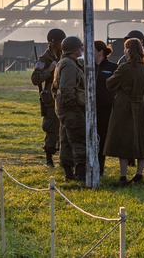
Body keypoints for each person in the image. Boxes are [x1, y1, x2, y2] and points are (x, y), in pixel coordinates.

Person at [104, 37, 144, 185]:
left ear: (129, 50)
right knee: (140, 139)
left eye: (126, 48)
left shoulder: (125, 67)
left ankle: (123, 176)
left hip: (124, 105)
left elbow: (110, 84)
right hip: (140, 105)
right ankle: (139, 174)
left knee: (123, 140)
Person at [53, 35, 86, 182]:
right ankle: (80, 173)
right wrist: (74, 105)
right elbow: (66, 88)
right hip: (71, 110)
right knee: (78, 139)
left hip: (65, 109)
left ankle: (69, 172)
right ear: (74, 49)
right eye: (80, 47)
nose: (82, 49)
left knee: (66, 139)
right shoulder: (70, 65)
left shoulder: (64, 62)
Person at [30, 28, 66, 167]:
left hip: (64, 95)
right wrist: (50, 70)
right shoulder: (44, 59)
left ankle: (65, 158)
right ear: (54, 43)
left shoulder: (64, 55)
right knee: (52, 127)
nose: (62, 44)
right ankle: (49, 157)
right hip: (51, 99)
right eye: (60, 42)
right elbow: (35, 78)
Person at [93, 40, 117, 177]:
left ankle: (100, 167)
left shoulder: (113, 67)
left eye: (93, 49)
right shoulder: (87, 67)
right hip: (89, 108)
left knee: (102, 138)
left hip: (106, 109)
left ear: (100, 51)